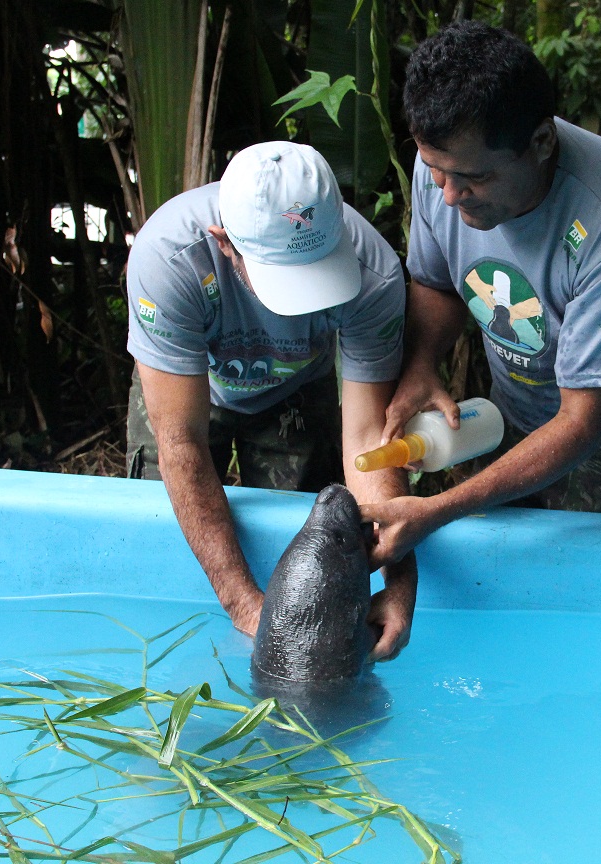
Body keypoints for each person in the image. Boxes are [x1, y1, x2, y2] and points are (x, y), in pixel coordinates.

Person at [360, 21, 601, 567]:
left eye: (471, 178)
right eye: (435, 171)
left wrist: (439, 508)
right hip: (516, 408)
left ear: (541, 143)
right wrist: (423, 362)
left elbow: (582, 422)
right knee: (504, 566)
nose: (449, 196)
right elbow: (436, 283)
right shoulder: (446, 169)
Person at [126, 141, 415, 661]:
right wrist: (245, 606)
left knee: (314, 526)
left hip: (296, 387)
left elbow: (368, 438)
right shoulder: (168, 259)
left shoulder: (374, 275)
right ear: (224, 242)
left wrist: (399, 580)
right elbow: (180, 442)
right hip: (187, 390)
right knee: (162, 530)